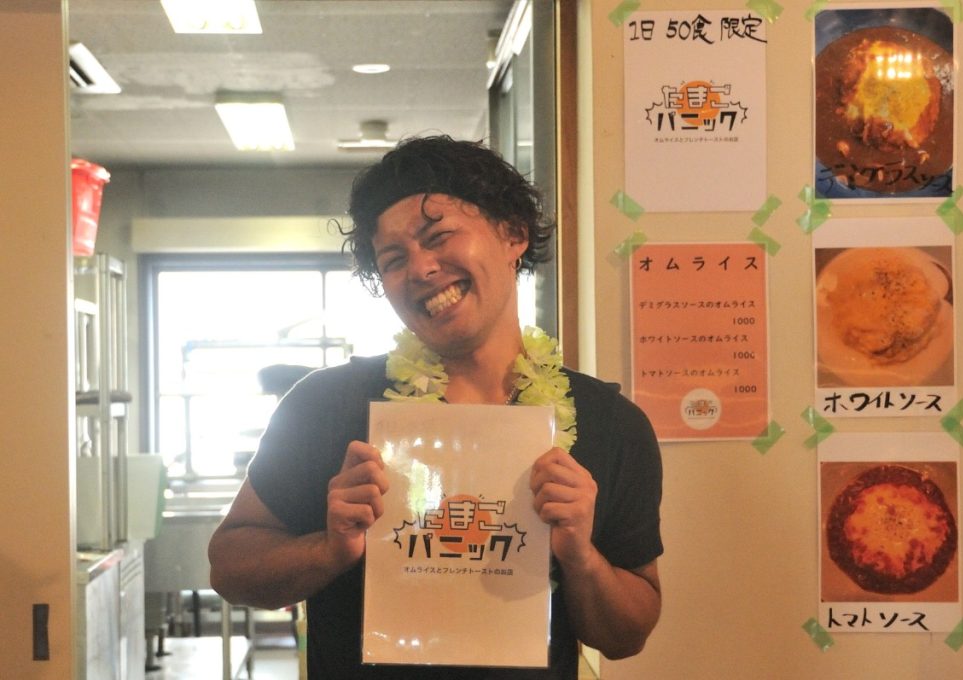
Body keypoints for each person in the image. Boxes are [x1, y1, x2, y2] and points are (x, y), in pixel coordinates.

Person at [208, 135, 663, 679]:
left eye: (439, 236)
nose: (421, 269)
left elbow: (627, 636)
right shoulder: (325, 405)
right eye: (393, 259)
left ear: (513, 233)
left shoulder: (610, 423)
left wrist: (581, 555)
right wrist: (329, 549)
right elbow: (229, 568)